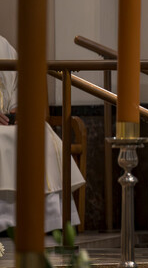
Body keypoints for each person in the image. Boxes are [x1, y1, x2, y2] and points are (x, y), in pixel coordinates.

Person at [0, 35, 85, 233]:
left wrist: (19, 109)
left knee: (40, 133)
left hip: (8, 122)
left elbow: (20, 86)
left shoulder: (3, 45)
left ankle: (50, 220)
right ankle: (6, 223)